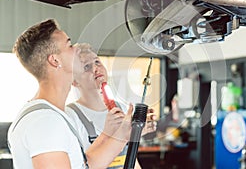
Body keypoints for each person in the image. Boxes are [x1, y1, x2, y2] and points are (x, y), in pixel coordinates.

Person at [7, 19, 133, 169]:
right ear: (55, 60)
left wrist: (122, 134)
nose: (77, 50)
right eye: (70, 45)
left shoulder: (54, 116)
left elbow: (86, 165)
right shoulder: (46, 122)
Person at [66, 43, 157, 169]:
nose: (95, 69)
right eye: (86, 67)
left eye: (97, 62)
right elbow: (79, 165)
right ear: (74, 81)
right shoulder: (70, 117)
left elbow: (129, 157)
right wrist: (109, 134)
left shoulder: (123, 109)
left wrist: (138, 129)